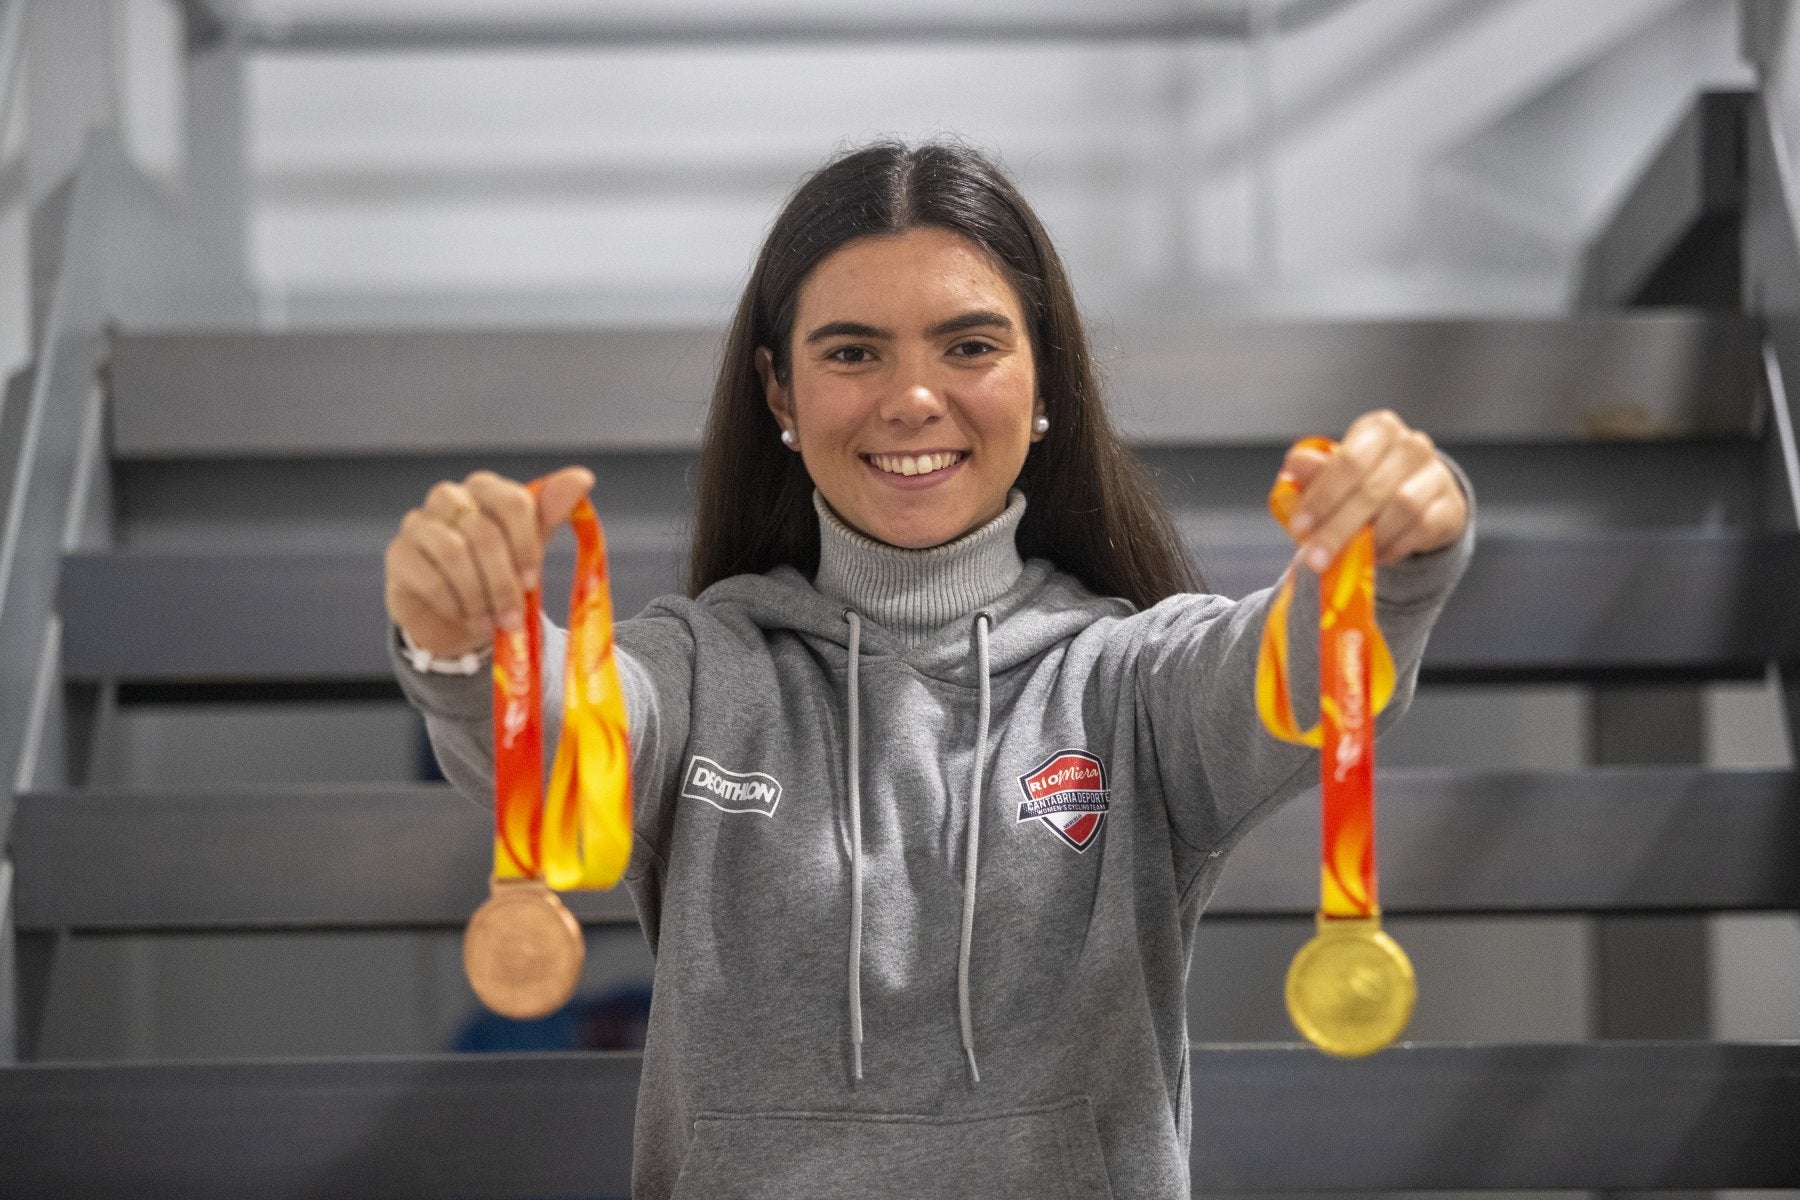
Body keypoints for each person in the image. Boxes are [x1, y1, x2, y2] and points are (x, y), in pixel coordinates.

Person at [384, 140, 1471, 1200]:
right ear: (779, 392)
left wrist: (1395, 551)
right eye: (853, 352)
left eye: (969, 346)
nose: (912, 398)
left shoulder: (1130, 682)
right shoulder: (702, 673)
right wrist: (465, 643)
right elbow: (569, 720)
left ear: (1045, 380)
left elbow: (1282, 670)